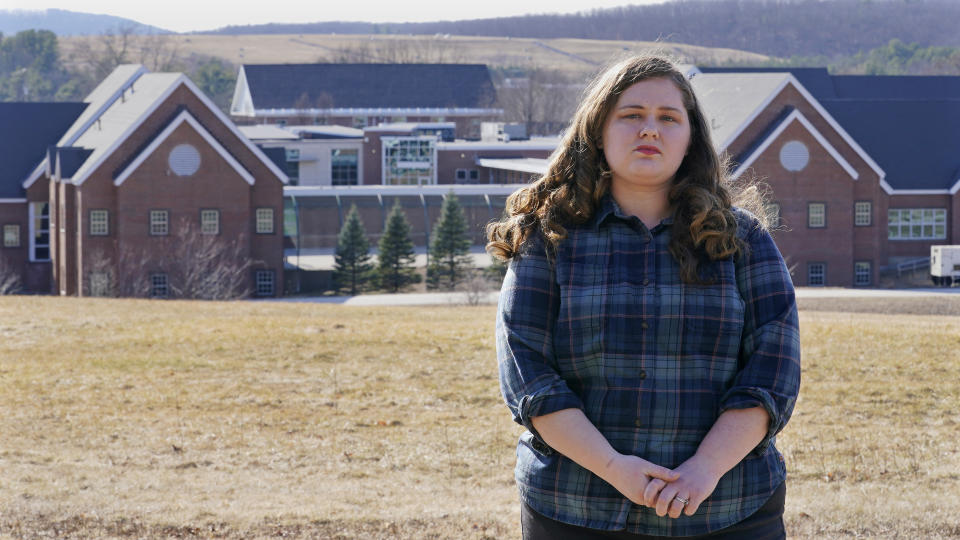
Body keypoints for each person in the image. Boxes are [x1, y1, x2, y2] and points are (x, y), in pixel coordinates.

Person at [487, 54, 801, 539]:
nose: (649, 130)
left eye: (668, 118)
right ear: (597, 130)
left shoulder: (744, 241)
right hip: (576, 508)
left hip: (728, 509)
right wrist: (615, 468)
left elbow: (771, 374)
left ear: (690, 137)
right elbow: (531, 378)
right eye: (631, 115)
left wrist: (704, 470)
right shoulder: (547, 240)